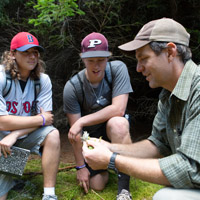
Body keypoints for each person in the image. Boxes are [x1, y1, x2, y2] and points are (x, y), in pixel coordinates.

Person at [82, 18, 200, 200]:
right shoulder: (167, 97)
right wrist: (110, 148)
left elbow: (190, 168)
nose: (138, 68)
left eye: (144, 58)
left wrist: (112, 161)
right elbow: (158, 145)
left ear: (170, 52)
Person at [63, 32, 133, 199]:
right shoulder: (73, 87)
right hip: (91, 137)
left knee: (119, 123)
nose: (96, 65)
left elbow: (119, 109)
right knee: (97, 185)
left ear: (108, 58)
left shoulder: (118, 69)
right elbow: (75, 133)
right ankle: (112, 163)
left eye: (100, 59)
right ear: (83, 59)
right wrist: (80, 167)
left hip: (114, 128)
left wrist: (82, 121)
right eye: (91, 60)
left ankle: (124, 190)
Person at [0, 32, 60, 200]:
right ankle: (10, 176)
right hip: (1, 140)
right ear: (12, 54)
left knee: (52, 134)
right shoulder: (1, 77)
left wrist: (15, 134)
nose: (32, 56)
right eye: (26, 52)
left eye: (35, 52)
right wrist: (40, 119)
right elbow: (2, 122)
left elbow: (48, 120)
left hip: (17, 139)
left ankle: (49, 195)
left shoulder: (42, 80)